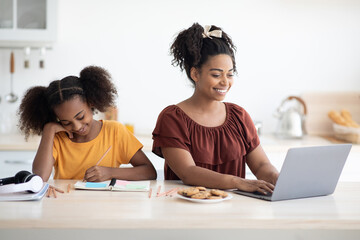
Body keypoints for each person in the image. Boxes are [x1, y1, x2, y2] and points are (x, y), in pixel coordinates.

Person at [152, 23, 279, 195]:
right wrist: (238, 182)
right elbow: (188, 172)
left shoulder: (239, 116)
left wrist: (277, 178)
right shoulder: (172, 118)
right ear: (195, 74)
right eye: (216, 75)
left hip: (233, 210)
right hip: (184, 210)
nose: (225, 82)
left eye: (230, 74)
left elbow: (261, 165)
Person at [18, 66, 157, 182]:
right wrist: (48, 130)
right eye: (66, 122)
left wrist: (110, 172)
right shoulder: (58, 138)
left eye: (80, 116)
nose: (77, 127)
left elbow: (149, 172)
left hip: (106, 207)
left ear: (91, 102)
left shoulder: (115, 132)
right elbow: (40, 177)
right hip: (66, 206)